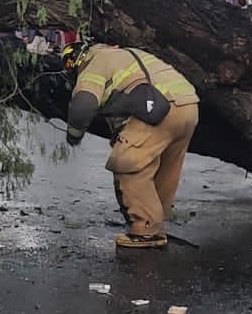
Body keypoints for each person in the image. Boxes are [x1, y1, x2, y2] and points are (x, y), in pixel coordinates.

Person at [62, 39, 199, 252]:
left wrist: (74, 135)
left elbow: (84, 104)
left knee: (128, 164)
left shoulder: (94, 63)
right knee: (165, 169)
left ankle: (146, 229)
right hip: (187, 106)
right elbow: (129, 95)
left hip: (158, 108)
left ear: (78, 60)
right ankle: (156, 222)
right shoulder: (125, 55)